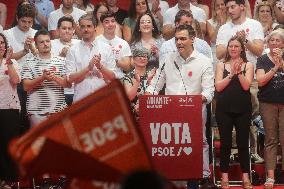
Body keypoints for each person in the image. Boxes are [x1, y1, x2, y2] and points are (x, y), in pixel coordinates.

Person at [146, 24, 215, 188]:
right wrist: (146, 98)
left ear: (193, 39)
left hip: (194, 112)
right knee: (171, 146)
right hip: (170, 114)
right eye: (177, 39)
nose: (179, 42)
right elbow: (155, 86)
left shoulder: (204, 61)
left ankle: (200, 178)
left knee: (199, 143)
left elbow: (209, 92)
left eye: (183, 38)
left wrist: (194, 101)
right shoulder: (167, 59)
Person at [216, 0, 265, 163]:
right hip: (228, 76)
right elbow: (218, 53)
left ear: (242, 6)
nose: (229, 10)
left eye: (232, 7)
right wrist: (234, 41)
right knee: (230, 116)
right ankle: (233, 151)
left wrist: (245, 41)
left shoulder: (255, 24)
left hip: (250, 77)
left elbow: (259, 51)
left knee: (251, 117)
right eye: (227, 7)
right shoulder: (224, 28)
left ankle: (252, 151)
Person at [215, 36, 254, 189]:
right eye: (230, 46)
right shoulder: (221, 65)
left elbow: (246, 86)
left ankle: (246, 177)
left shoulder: (248, 65)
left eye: (236, 46)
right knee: (225, 144)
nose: (233, 48)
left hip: (243, 109)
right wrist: (231, 74)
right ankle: (224, 176)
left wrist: (238, 73)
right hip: (224, 109)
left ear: (242, 49)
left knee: (243, 143)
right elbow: (218, 87)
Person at [22, 29, 69, 126]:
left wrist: (54, 78)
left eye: (47, 41)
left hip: (58, 111)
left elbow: (67, 84)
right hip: (36, 112)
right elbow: (26, 87)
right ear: (36, 45)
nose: (45, 44)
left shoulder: (61, 61)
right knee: (38, 141)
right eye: (41, 42)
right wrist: (43, 78)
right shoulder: (28, 62)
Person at [255, 30, 284, 189]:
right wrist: (275, 68)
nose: (274, 43)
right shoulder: (262, 60)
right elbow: (260, 82)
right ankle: (270, 176)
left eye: (278, 40)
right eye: (272, 40)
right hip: (268, 103)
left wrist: (282, 63)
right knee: (271, 140)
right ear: (268, 43)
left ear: (283, 44)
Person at [65, 14, 117, 103]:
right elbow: (70, 78)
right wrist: (88, 68)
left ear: (95, 27)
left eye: (89, 26)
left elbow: (113, 77)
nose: (86, 29)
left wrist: (100, 66)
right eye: (83, 27)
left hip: (103, 99)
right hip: (81, 100)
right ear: (79, 28)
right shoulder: (73, 50)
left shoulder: (106, 48)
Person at [0, 33, 21, 186]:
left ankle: (10, 180)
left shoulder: (12, 62)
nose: (0, 45)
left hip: (9, 108)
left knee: (8, 145)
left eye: (2, 43)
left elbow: (16, 80)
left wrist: (8, 63)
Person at [51, 16, 80, 106]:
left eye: (69, 28)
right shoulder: (50, 43)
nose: (67, 31)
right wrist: (61, 56)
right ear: (58, 30)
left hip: (77, 90)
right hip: (57, 90)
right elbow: (47, 66)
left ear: (73, 30)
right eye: (64, 28)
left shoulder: (80, 43)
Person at [96, 11, 132, 78]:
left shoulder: (123, 43)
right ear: (102, 24)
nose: (110, 24)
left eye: (113, 21)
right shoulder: (96, 41)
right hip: (100, 77)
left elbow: (127, 67)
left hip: (118, 78)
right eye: (107, 22)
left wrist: (113, 59)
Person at [123, 47, 155, 119]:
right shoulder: (128, 77)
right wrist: (137, 82)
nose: (142, 58)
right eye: (139, 56)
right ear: (133, 59)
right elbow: (130, 97)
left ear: (147, 60)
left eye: (144, 56)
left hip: (150, 115)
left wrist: (150, 82)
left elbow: (156, 97)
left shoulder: (152, 75)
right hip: (133, 116)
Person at [206, 0, 229, 68]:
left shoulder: (232, 20)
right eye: (217, 5)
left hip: (231, 51)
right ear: (214, 8)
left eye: (222, 4)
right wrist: (219, 23)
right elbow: (213, 39)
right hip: (216, 54)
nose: (220, 7)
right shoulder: (210, 22)